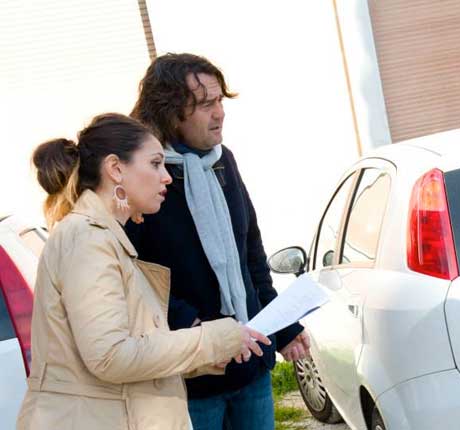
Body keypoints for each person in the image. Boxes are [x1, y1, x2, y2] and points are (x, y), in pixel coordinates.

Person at [17, 113, 270, 430]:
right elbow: (109, 356)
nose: (166, 177)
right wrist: (214, 339)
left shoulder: (104, 236)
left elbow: (136, 347)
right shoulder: (88, 239)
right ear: (115, 169)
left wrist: (203, 356)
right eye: (155, 164)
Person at [127, 53, 310, 430]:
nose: (220, 113)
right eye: (206, 104)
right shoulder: (144, 177)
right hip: (192, 378)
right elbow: (134, 273)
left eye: (220, 101)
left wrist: (285, 326)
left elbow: (252, 254)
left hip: (251, 366)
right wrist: (193, 325)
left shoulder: (223, 160)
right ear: (171, 112)